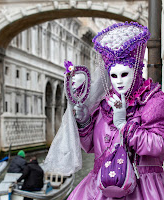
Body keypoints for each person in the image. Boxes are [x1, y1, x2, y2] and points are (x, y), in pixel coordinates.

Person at [66, 21, 164, 199]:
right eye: (114, 75)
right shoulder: (105, 103)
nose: (118, 81)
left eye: (124, 74)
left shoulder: (152, 100)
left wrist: (124, 125)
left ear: (136, 71)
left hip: (142, 188)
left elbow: (158, 145)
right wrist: (84, 122)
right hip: (102, 186)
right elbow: (92, 148)